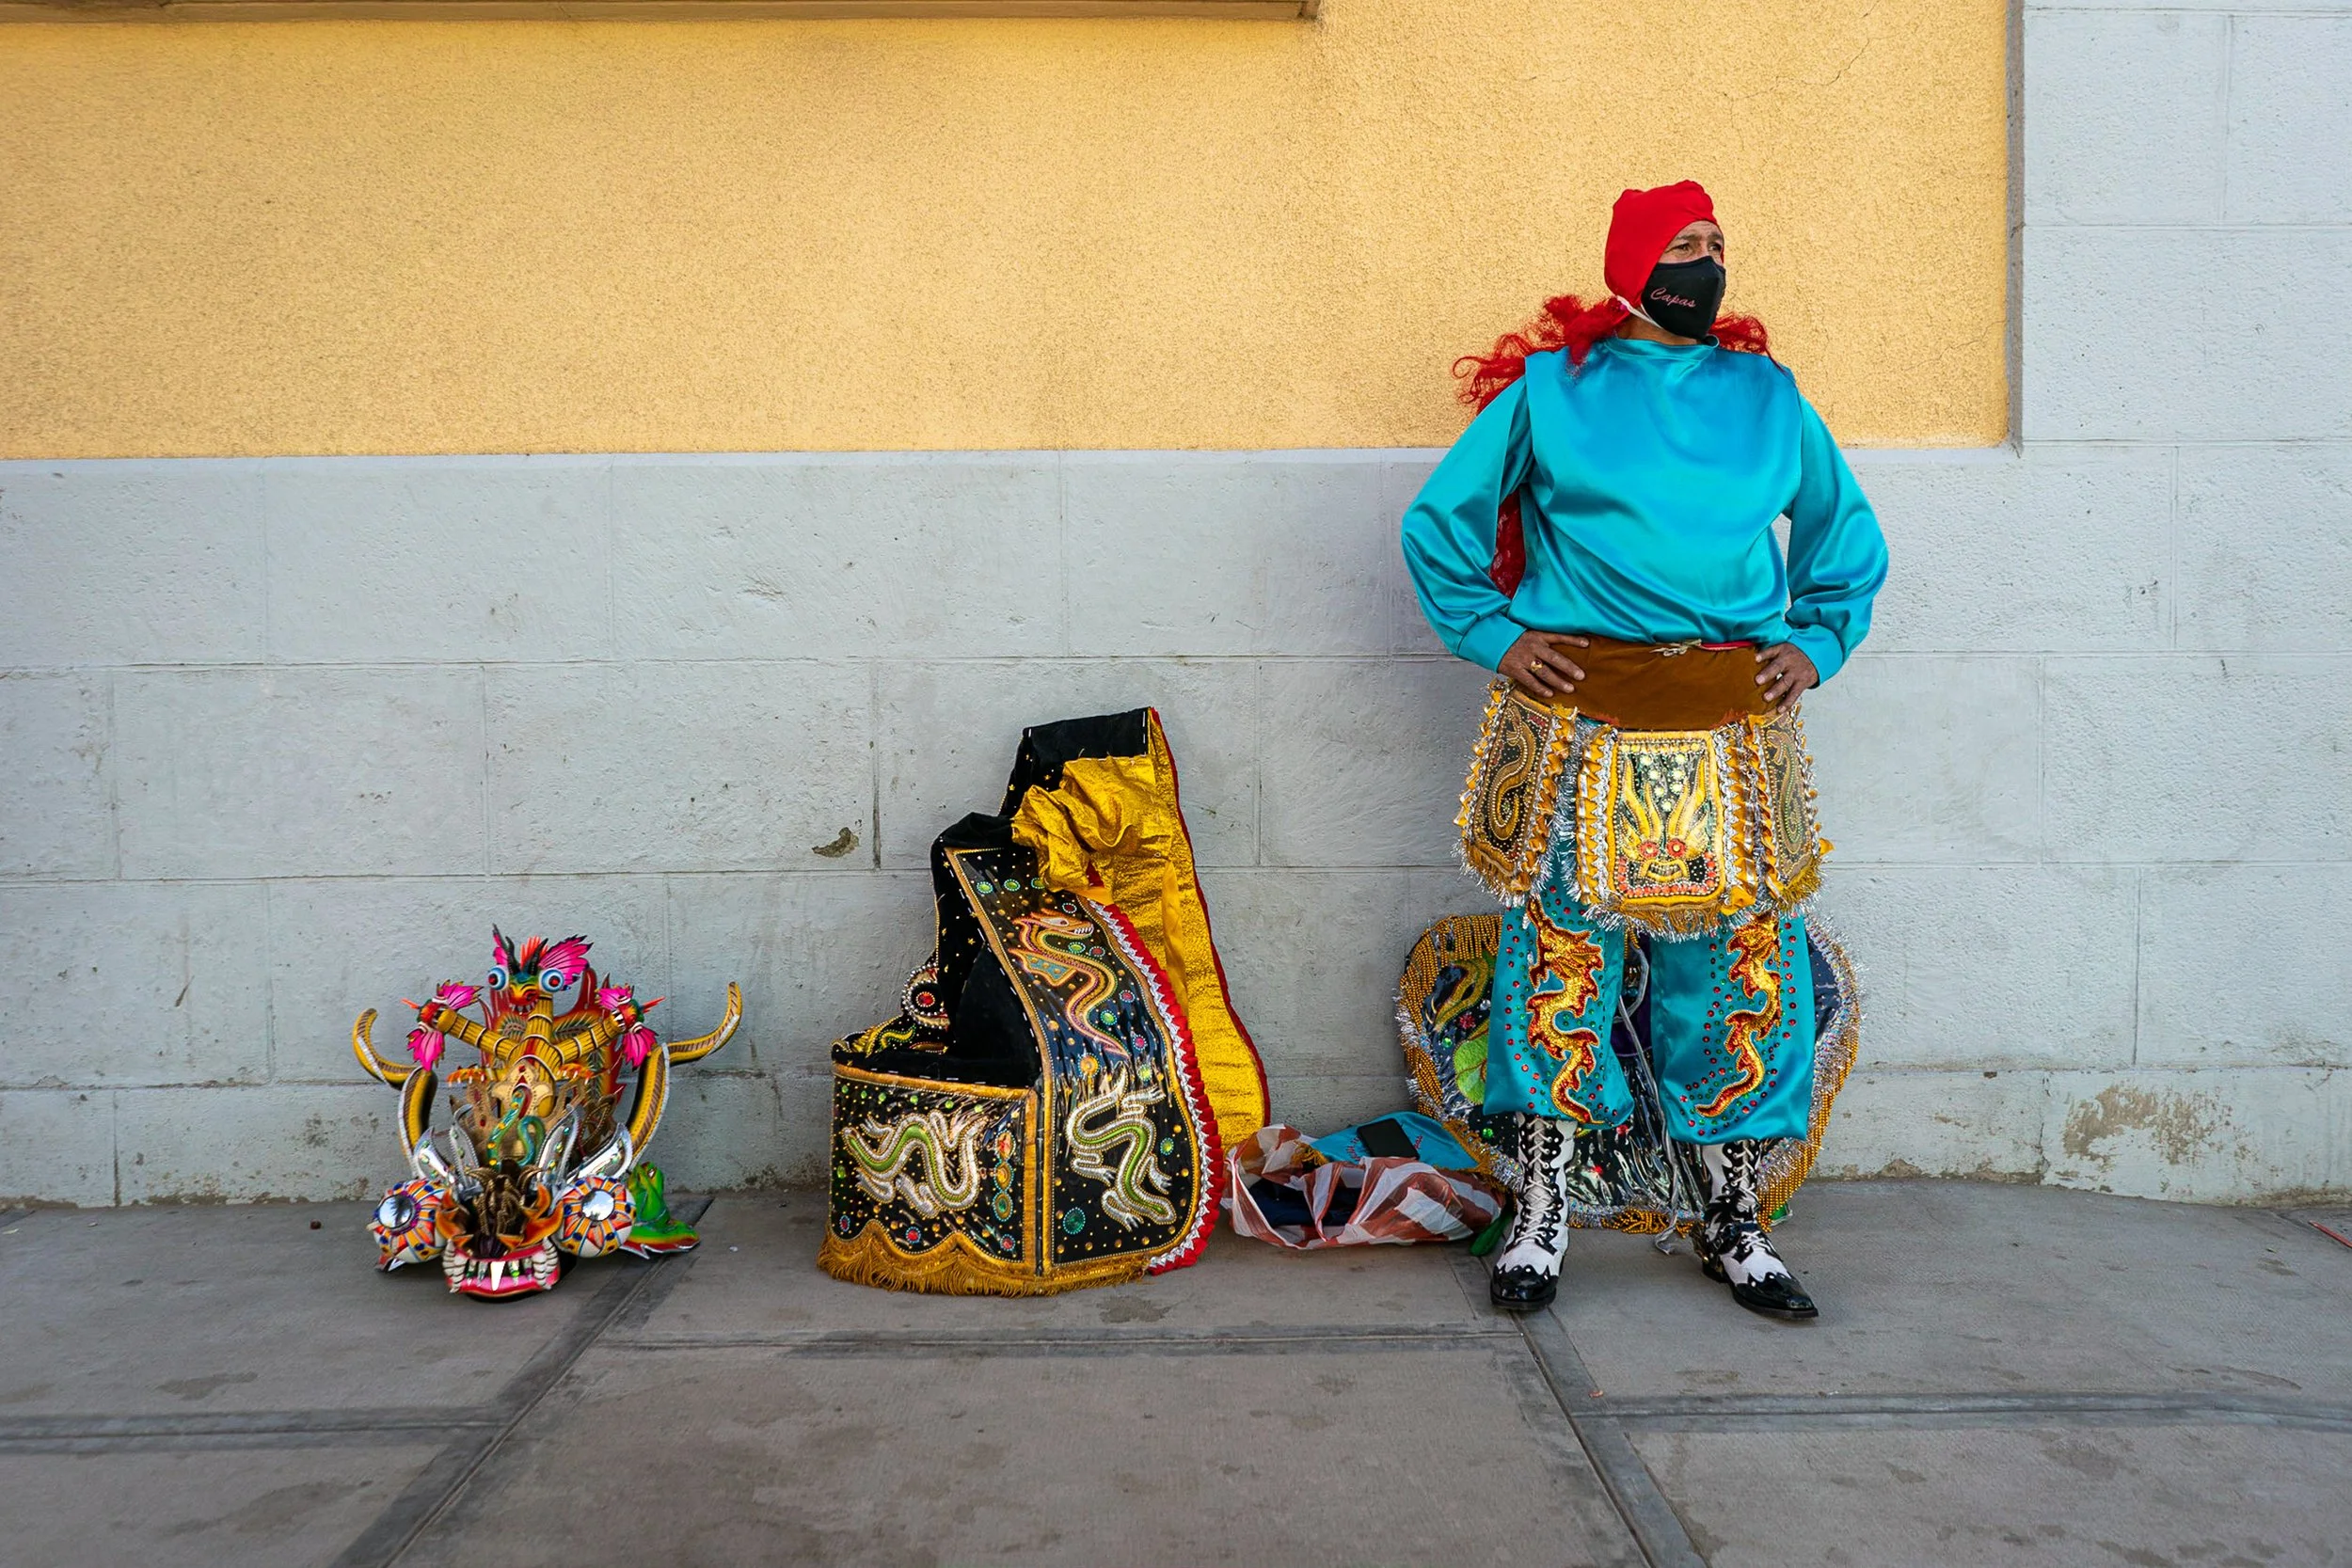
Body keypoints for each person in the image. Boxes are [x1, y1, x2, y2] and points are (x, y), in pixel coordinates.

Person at [1400, 180, 1888, 1320]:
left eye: (1719, 243)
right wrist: (1493, 634)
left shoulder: (1768, 395)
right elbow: (1440, 524)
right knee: (1561, 955)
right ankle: (1542, 1211)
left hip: (1730, 729)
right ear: (1634, 265)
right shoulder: (1551, 390)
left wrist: (1814, 642)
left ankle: (1732, 1220)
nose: (1708, 260)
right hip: (1584, 724)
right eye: (1685, 245)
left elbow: (1842, 537)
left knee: (1734, 970)